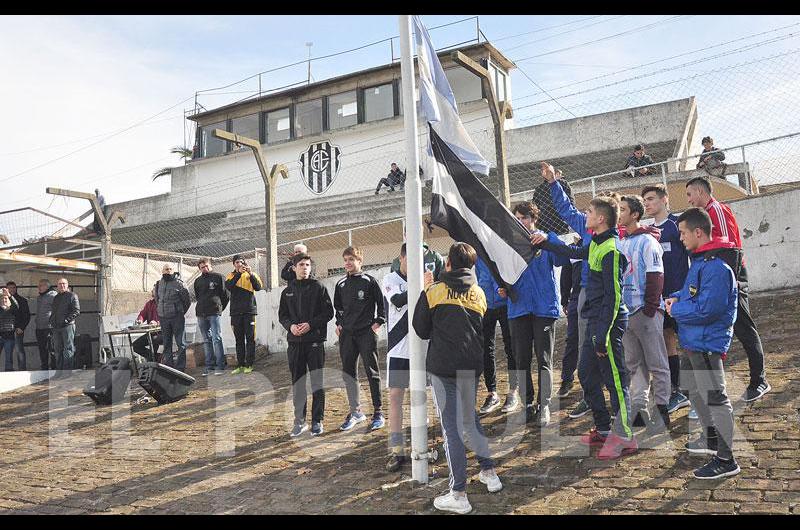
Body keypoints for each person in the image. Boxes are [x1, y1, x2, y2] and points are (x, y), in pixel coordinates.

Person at [534, 195, 637, 460]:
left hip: (608, 324)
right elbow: (575, 252)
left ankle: (625, 436)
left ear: (600, 219)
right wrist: (547, 240)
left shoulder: (612, 250)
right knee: (588, 375)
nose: (585, 214)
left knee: (615, 380)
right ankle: (603, 428)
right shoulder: (596, 243)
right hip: (594, 321)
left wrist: (602, 334)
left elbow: (614, 298)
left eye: (589, 211)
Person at [412, 242, 502, 514]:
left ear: (447, 263)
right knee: (470, 420)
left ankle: (459, 493)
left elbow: (420, 329)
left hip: (444, 368)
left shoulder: (435, 291)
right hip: (471, 366)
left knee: (451, 429)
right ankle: (489, 472)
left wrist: (426, 289)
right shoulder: (479, 294)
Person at [666, 207, 740, 479]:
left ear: (698, 232)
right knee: (691, 389)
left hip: (707, 343)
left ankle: (726, 459)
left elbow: (708, 308)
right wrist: (676, 297)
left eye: (683, 233)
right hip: (692, 340)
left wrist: (676, 310)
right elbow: (691, 294)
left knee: (715, 397)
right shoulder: (700, 262)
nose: (681, 238)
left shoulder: (717, 268)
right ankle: (711, 438)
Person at [685, 177, 770, 401]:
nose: (688, 199)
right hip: (719, 280)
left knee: (744, 327)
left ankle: (759, 380)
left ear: (701, 192)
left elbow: (728, 249)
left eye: (689, 194)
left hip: (731, 279)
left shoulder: (717, 210)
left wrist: (725, 285)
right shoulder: (705, 216)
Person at [500, 202, 566, 427]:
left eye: (525, 217)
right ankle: (528, 405)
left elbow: (562, 258)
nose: (521, 222)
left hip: (543, 308)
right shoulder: (509, 246)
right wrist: (502, 288)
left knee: (544, 358)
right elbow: (501, 273)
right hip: (518, 308)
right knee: (521, 360)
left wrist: (548, 239)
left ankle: (544, 404)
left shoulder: (545, 241)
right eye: (517, 218)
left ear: (533, 219)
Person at [541, 163, 592, 419]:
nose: (584, 215)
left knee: (616, 349)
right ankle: (587, 394)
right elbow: (565, 209)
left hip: (612, 297)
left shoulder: (619, 236)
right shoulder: (584, 230)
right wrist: (552, 183)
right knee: (581, 343)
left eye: (591, 212)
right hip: (583, 295)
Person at [617, 195, 672, 432]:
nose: (619, 214)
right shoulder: (621, 242)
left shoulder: (648, 242)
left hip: (645, 311)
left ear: (635, 215)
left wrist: (650, 308)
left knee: (657, 361)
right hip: (626, 313)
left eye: (623, 210)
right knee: (633, 363)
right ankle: (639, 408)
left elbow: (655, 275)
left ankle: (661, 408)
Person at [382, 244, 435, 470]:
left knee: (420, 398)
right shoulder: (390, 278)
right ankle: (396, 449)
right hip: (399, 349)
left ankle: (422, 445)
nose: (415, 264)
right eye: (411, 259)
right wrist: (421, 285)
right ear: (401, 258)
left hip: (421, 347)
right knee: (395, 397)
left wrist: (429, 286)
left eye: (420, 260)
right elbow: (397, 300)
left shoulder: (427, 280)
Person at [641, 184, 691, 414]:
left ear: (664, 199)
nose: (647, 204)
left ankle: (698, 391)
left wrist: (689, 292)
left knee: (690, 343)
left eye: (651, 199)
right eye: (644, 201)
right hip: (660, 300)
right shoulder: (648, 231)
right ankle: (677, 390)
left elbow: (693, 258)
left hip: (681, 297)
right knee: (667, 341)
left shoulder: (676, 225)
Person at [278, 253, 334, 437]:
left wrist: (311, 324)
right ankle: (299, 421)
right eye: (301, 265)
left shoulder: (319, 287)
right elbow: (282, 316)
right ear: (294, 268)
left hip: (315, 342)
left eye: (307, 265)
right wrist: (291, 326)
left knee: (317, 382)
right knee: (298, 383)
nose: (304, 268)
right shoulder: (287, 292)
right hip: (295, 343)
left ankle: (317, 420)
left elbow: (328, 313)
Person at [334, 246, 386, 432]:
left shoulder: (369, 282)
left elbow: (382, 306)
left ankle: (378, 412)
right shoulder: (340, 284)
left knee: (372, 372)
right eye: (345, 260)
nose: (348, 263)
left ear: (360, 261)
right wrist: (339, 323)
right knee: (349, 373)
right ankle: (356, 411)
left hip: (365, 333)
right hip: (347, 335)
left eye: (351, 259)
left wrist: (377, 323)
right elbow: (338, 309)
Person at [475, 257, 515, 415]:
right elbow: (479, 275)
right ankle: (492, 393)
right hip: (486, 306)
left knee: (511, 348)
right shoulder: (478, 255)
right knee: (486, 349)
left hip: (506, 304)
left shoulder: (500, 249)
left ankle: (513, 391)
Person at [225, 255, 263, 374]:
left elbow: (258, 287)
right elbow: (229, 287)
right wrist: (238, 274)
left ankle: (249, 364)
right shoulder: (230, 276)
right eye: (237, 262)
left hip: (249, 311)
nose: (239, 264)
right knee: (239, 339)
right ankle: (240, 365)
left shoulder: (251, 274)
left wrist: (250, 274)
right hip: (236, 312)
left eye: (241, 262)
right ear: (234, 264)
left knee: (250, 339)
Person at [195, 258, 229, 376]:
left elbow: (225, 295)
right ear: (199, 269)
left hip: (214, 312)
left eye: (206, 266)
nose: (205, 268)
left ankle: (220, 366)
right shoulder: (197, 281)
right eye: (202, 267)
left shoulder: (219, 277)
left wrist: (219, 307)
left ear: (210, 265)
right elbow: (198, 296)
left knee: (216, 338)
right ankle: (209, 366)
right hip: (201, 313)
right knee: (206, 340)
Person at [154, 264, 191, 372]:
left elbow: (187, 301)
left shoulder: (180, 284)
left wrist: (179, 311)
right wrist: (160, 311)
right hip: (163, 318)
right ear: (162, 271)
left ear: (173, 271)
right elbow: (157, 299)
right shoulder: (158, 283)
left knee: (181, 343)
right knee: (166, 343)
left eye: (170, 269)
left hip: (177, 317)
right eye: (166, 269)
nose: (168, 271)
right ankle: (169, 367)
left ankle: (180, 368)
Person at [557, 253, 583, 399]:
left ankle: (602, 379)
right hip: (576, 299)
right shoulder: (575, 249)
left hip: (598, 299)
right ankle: (567, 378)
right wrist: (565, 299)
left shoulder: (604, 240)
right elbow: (566, 275)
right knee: (572, 339)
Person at [532, 162, 575, 235]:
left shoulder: (563, 184)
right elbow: (536, 208)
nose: (545, 171)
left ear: (553, 171)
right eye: (543, 170)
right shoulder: (539, 189)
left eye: (547, 169)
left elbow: (571, 202)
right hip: (546, 226)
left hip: (562, 223)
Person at [50, 278, 80, 371]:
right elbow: (54, 312)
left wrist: (66, 320)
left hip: (67, 326)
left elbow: (76, 311)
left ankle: (67, 372)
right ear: (57, 286)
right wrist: (51, 321)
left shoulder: (72, 296)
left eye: (64, 283)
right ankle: (59, 371)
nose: (62, 285)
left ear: (67, 285)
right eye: (60, 284)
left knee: (68, 349)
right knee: (57, 350)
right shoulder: (56, 297)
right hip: (56, 327)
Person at [5, 281, 30, 371]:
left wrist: (22, 327)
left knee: (19, 350)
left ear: (16, 288)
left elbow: (26, 316)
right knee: (8, 352)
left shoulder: (22, 300)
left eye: (13, 287)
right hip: (5, 331)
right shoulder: (2, 300)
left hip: (17, 330)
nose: (12, 289)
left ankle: (22, 370)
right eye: (9, 288)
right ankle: (9, 370)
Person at [132, 289, 162, 362]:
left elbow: (167, 319)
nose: (152, 290)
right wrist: (140, 320)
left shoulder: (164, 304)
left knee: (154, 340)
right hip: (151, 333)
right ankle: (156, 357)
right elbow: (142, 314)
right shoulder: (149, 304)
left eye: (154, 289)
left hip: (163, 333)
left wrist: (157, 323)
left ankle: (153, 359)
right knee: (136, 345)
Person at [34, 279, 57, 370]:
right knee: (42, 348)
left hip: (49, 327)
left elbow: (57, 310)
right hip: (39, 327)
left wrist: (52, 321)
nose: (38, 287)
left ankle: (54, 367)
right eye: (38, 285)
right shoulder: (40, 297)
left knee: (51, 348)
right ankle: (44, 366)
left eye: (41, 285)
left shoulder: (53, 296)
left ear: (47, 286)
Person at [1, 288, 19, 372]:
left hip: (9, 337)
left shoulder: (12, 309)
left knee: (9, 357)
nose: (4, 300)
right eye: (2, 298)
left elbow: (16, 305)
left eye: (6, 298)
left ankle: (8, 372)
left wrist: (9, 295)